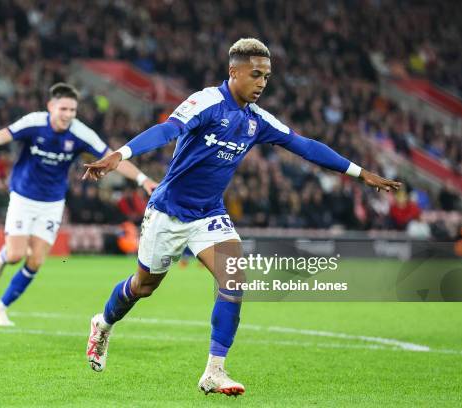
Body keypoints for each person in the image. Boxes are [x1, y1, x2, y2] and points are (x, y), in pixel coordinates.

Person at [82, 38, 401, 396]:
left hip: (209, 213)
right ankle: (104, 323)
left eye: (267, 76)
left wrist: (360, 173)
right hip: (168, 211)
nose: (263, 83)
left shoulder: (257, 120)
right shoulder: (206, 102)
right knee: (143, 287)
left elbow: (305, 146)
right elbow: (168, 130)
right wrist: (119, 154)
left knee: (234, 279)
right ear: (233, 72)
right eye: (256, 74)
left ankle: (214, 371)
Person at [0, 83, 157, 327]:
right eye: (64, 109)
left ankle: (0, 308)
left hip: (52, 202)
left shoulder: (81, 133)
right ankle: (4, 256)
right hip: (23, 196)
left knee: (36, 261)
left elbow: (111, 157)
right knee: (17, 254)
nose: (68, 114)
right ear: (51, 107)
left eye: (73, 110)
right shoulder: (34, 122)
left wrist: (142, 179)